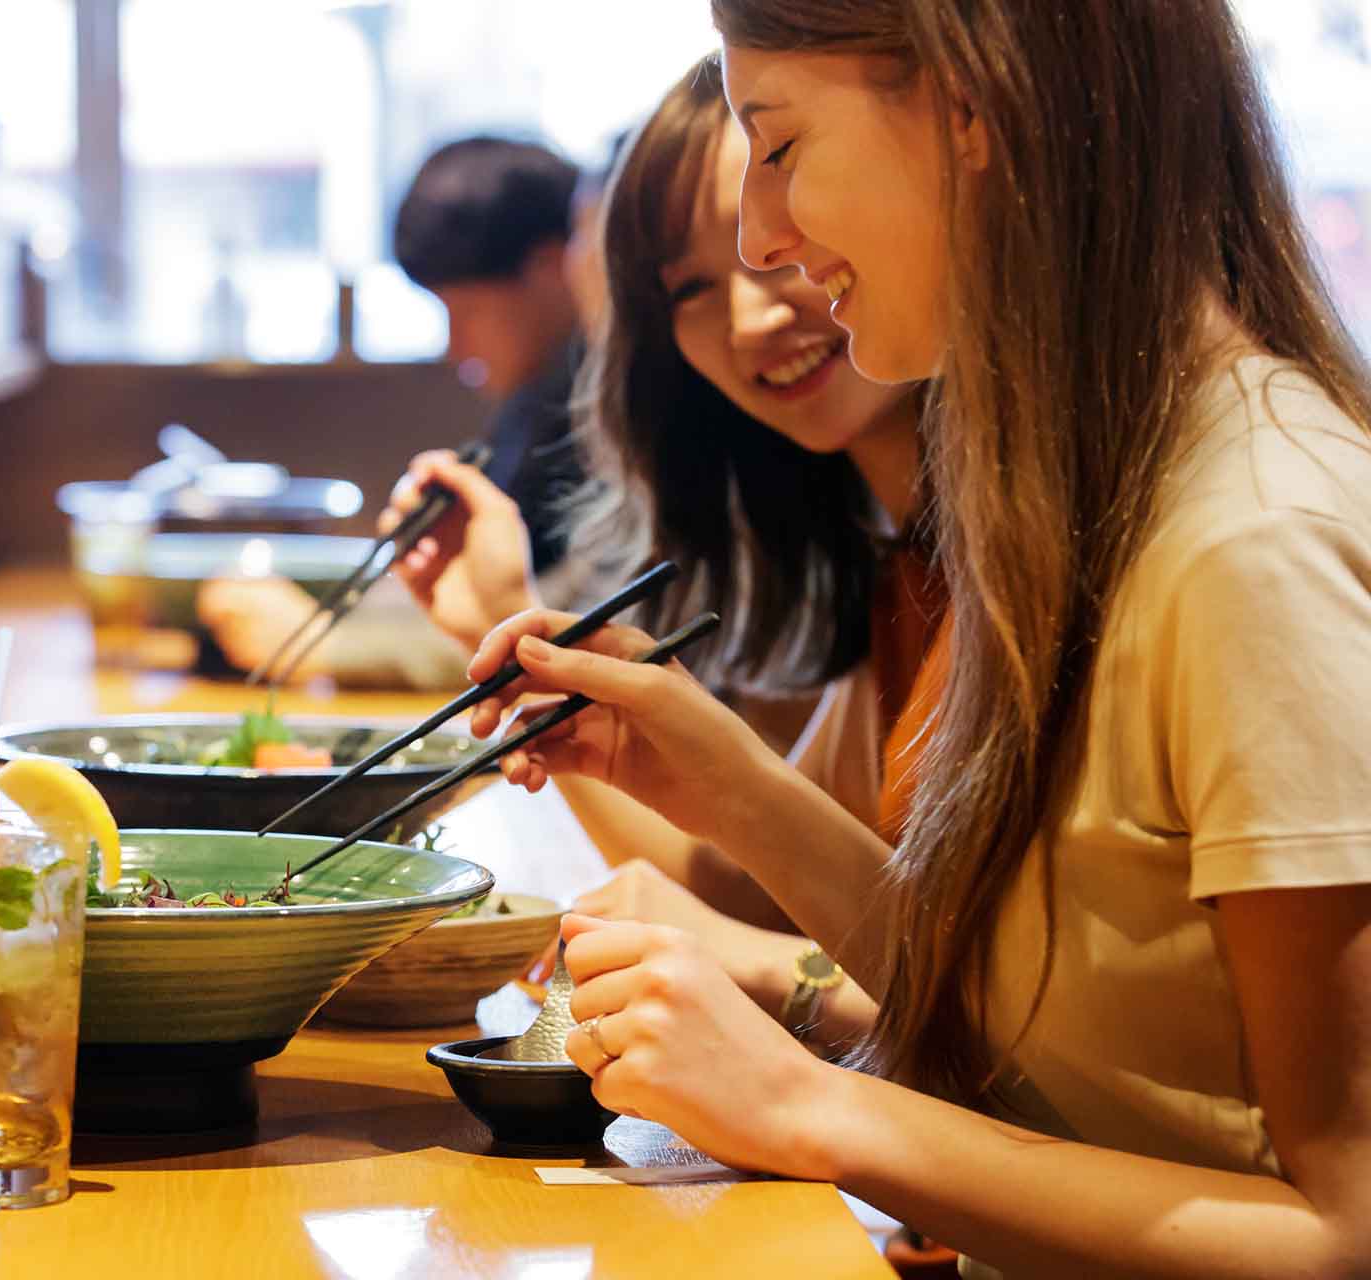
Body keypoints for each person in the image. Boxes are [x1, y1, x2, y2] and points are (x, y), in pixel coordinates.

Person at [467, 2, 1371, 1274]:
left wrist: (814, 1107)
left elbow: (1347, 1229)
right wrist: (724, 779)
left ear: (970, 109)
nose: (757, 237)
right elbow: (1054, 1038)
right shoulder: (1085, 491)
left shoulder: (1252, 537)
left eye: (776, 148)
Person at [383, 57, 934, 1049]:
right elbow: (770, 893)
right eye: (689, 287)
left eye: (778, 249)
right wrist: (500, 630)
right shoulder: (889, 552)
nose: (752, 317)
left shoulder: (1043, 559)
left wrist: (765, 970)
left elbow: (1003, 1016)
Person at [198, 135, 591, 687]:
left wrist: (336, 648)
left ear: (558, 267)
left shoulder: (621, 402)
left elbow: (596, 617)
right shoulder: (542, 399)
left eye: (467, 310)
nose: (455, 347)